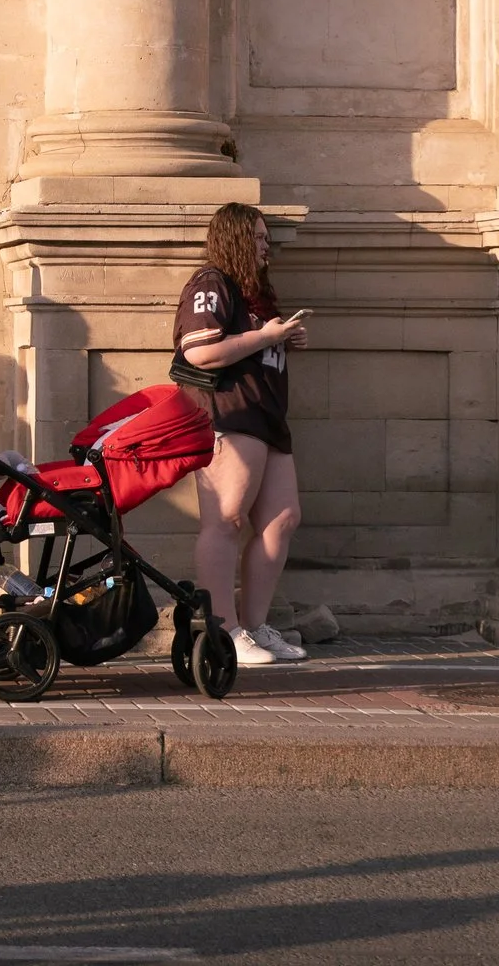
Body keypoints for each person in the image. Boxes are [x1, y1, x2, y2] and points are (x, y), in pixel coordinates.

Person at [179, 201, 310, 666]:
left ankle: (254, 626)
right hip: (230, 415)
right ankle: (223, 630)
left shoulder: (256, 294)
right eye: (256, 238)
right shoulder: (211, 284)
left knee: (283, 519)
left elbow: (252, 344)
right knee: (226, 518)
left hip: (267, 418)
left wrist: (283, 337)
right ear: (233, 238)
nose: (265, 246)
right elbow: (199, 352)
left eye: (266, 238)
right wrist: (266, 337)